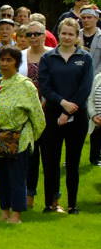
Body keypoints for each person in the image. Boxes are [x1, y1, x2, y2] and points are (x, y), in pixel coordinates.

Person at [38, 18, 93, 214]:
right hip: (53, 114)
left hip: (77, 116)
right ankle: (50, 203)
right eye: (64, 33)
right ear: (58, 34)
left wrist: (70, 109)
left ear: (76, 36)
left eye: (71, 34)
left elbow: (85, 87)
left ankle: (72, 204)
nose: (67, 37)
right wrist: (62, 104)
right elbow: (45, 86)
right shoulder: (48, 58)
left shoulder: (85, 58)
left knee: (72, 162)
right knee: (51, 161)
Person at [0, 47, 45, 223]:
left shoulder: (25, 85)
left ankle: (16, 215)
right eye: (2, 60)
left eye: (9, 60)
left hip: (19, 139)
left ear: (17, 63)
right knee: (1, 178)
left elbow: (38, 117)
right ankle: (4, 213)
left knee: (17, 178)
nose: (4, 63)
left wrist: (28, 138)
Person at [19, 20, 52, 207]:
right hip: (27, 113)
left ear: (44, 35)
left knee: (50, 157)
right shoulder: (21, 56)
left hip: (50, 110)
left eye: (37, 34)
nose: (33, 38)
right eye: (29, 35)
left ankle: (52, 199)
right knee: (30, 157)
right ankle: (28, 196)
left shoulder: (52, 55)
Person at [79, 6, 101, 164]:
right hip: (78, 82)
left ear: (96, 18)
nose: (86, 20)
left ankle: (95, 156)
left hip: (98, 81)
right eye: (84, 17)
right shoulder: (75, 35)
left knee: (96, 119)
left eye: (89, 17)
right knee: (78, 121)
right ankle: (73, 157)